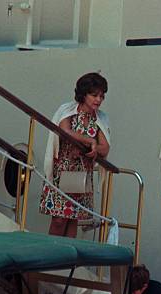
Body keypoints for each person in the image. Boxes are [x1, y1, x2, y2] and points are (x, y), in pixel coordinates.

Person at [40, 72, 110, 238]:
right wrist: (88, 140)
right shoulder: (67, 111)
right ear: (83, 94)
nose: (98, 100)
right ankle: (51, 259)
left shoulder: (100, 119)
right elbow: (64, 131)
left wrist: (94, 148)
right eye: (94, 95)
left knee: (72, 220)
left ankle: (67, 261)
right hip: (61, 171)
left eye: (101, 96)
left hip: (81, 174)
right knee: (58, 220)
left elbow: (105, 148)